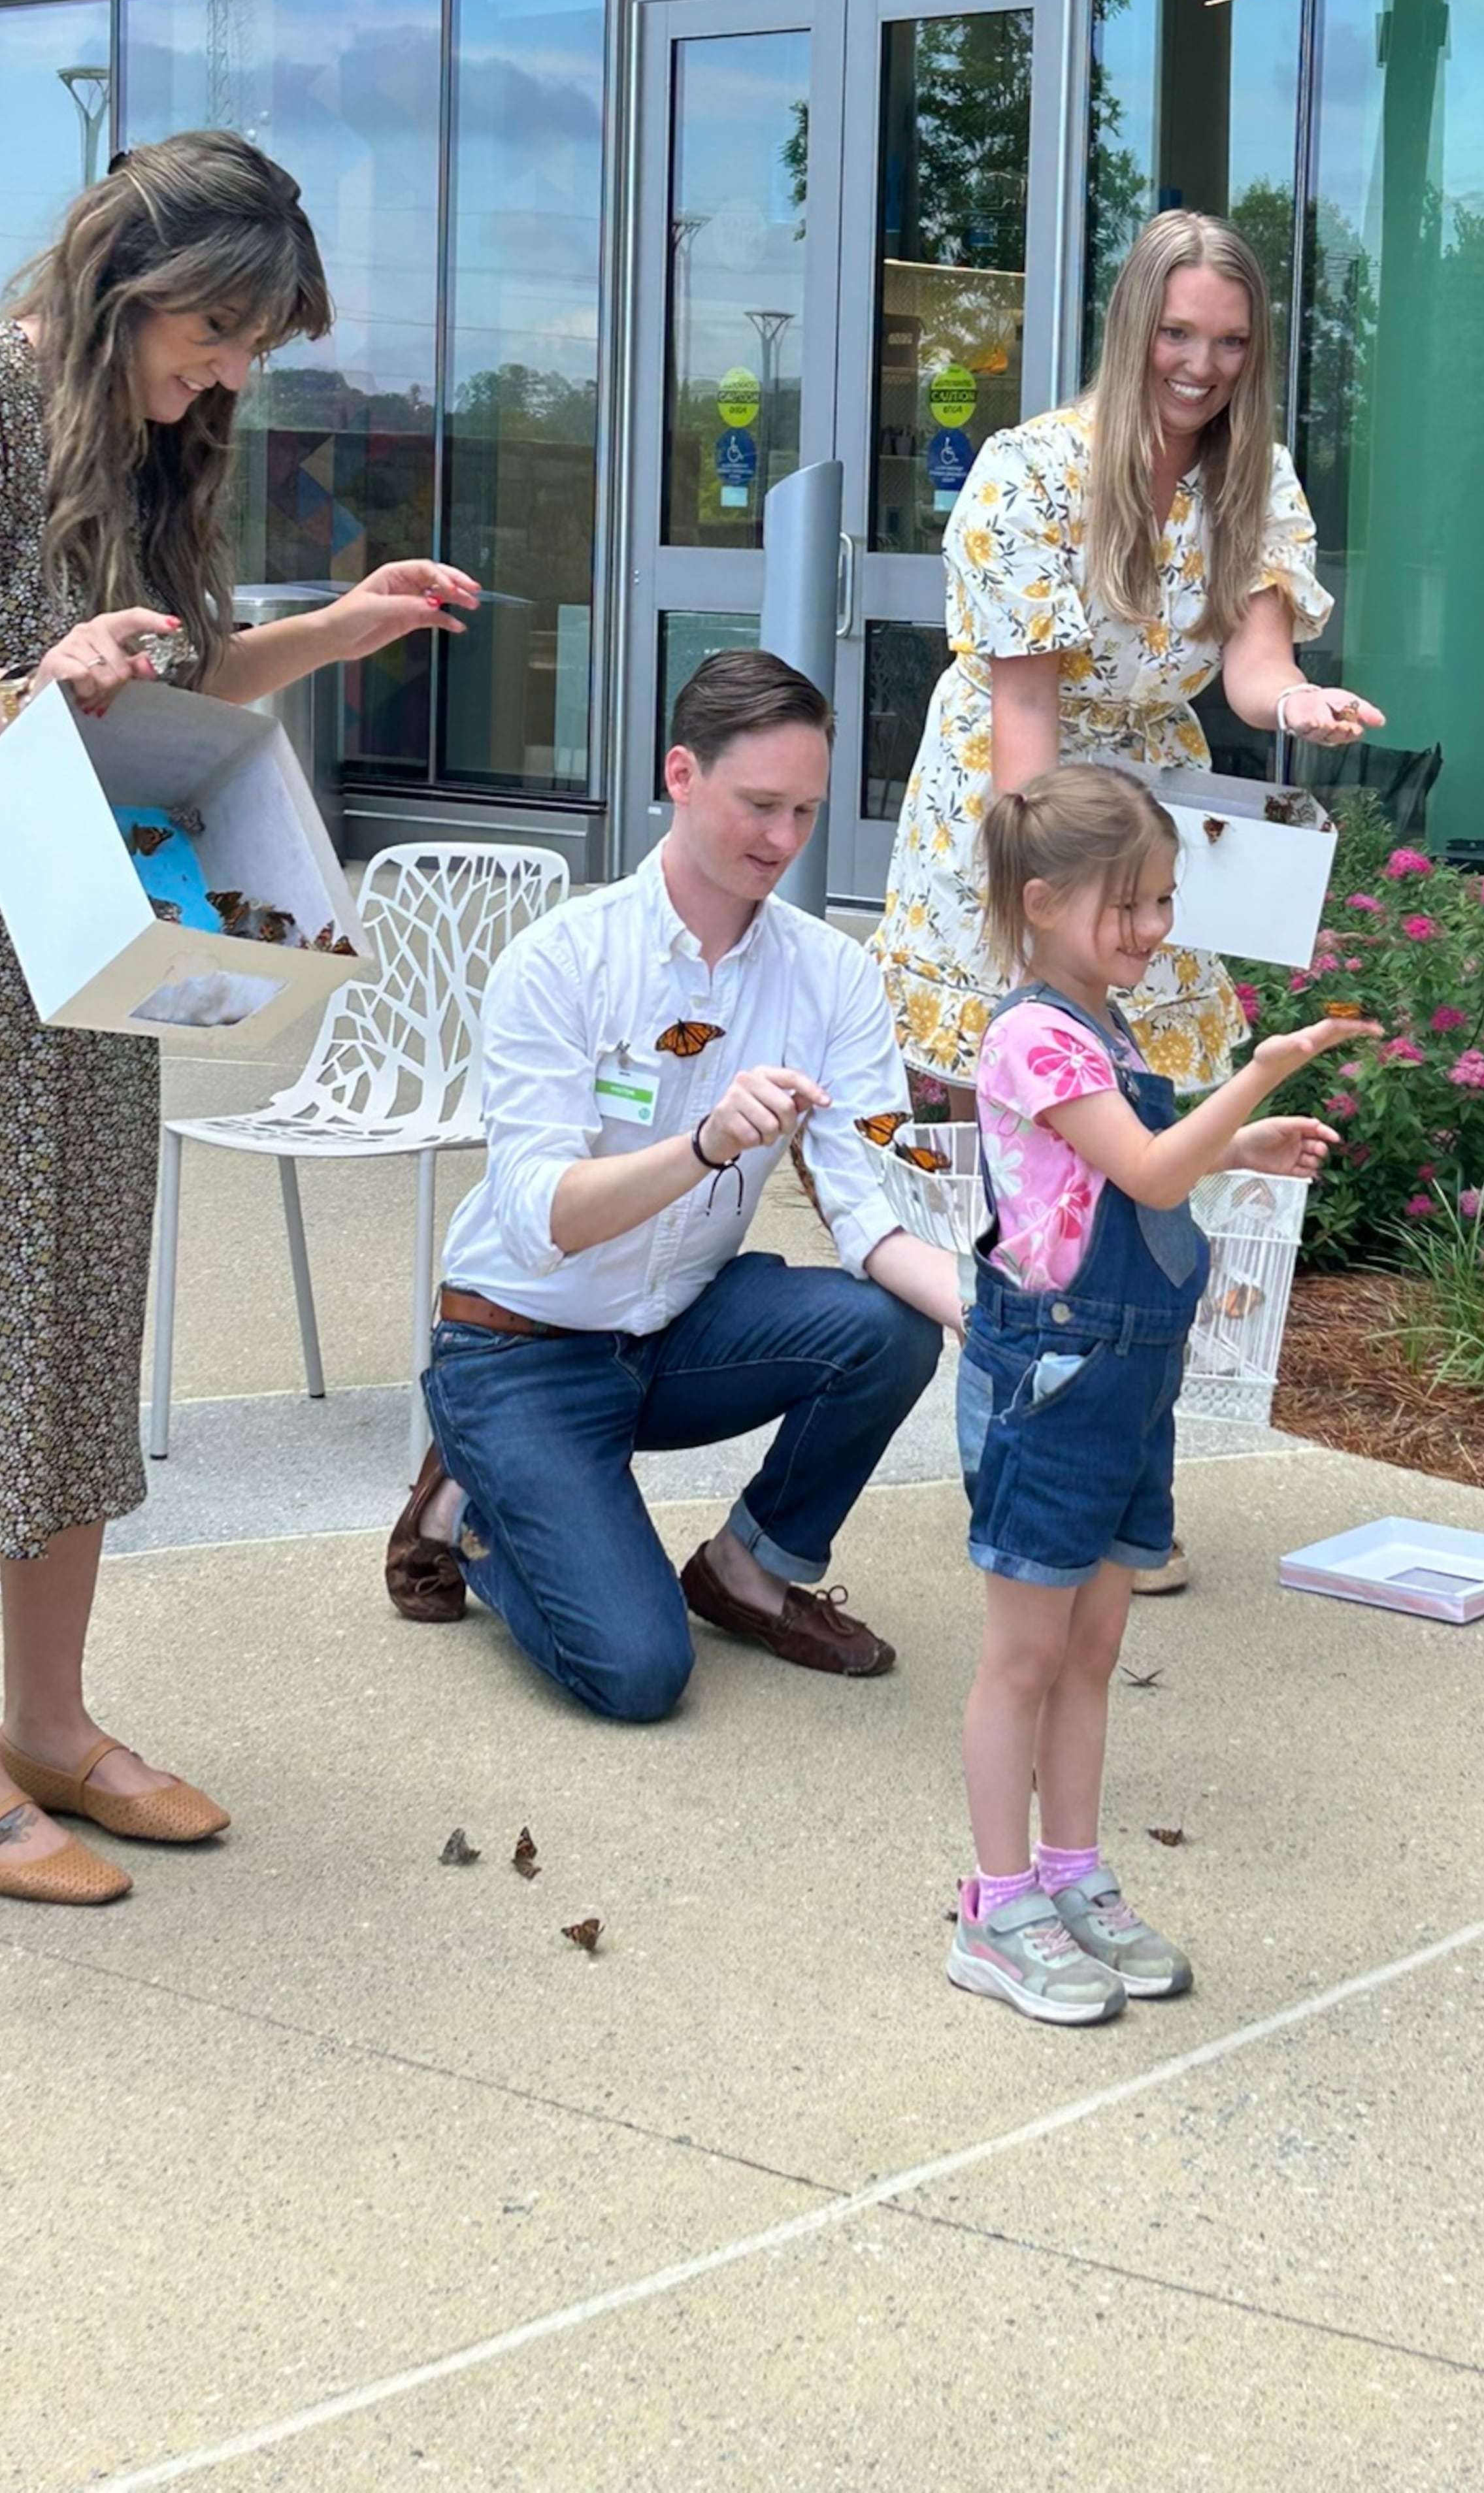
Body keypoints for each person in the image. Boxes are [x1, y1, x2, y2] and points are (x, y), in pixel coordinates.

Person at [0, 131, 480, 1906]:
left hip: (73, 929)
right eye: (217, 327)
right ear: (130, 271)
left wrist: (330, 632)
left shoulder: (150, 433)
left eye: (250, 344)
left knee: (62, 1311)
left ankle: (51, 1727)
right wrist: (18, 682)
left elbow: (168, 673)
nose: (227, 370)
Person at [872, 207, 1384, 1594]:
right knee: (1019, 1146)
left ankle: (1135, 1500)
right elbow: (1026, 712)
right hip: (1026, 807)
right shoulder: (1031, 472)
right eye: (1179, 334)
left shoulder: (1251, 475)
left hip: (1156, 814)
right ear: (1132, 325)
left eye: (1228, 341)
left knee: (1156, 1124)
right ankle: (1021, 1460)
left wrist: (1307, 705)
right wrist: (1045, 920)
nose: (1202, 365)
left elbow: (1253, 667)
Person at [386, 648, 956, 1720]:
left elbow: (870, 1203)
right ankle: (467, 1505)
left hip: (679, 1330)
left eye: (806, 809)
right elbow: (540, 1217)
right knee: (639, 1676)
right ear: (682, 775)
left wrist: (989, 1308)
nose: (785, 841)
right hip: (521, 1349)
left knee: (891, 1326)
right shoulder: (561, 961)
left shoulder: (833, 975)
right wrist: (702, 1144)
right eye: (759, 805)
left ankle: (750, 1569)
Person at [946, 766, 1370, 2023]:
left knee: (1096, 1646)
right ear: (1043, 902)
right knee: (1023, 1658)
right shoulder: (1032, 1033)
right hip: (1056, 1371)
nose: (1150, 929)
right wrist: (1262, 1078)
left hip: (1131, 1379)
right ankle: (996, 1902)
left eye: (1164, 902)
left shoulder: (1103, 1028)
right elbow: (1140, 1170)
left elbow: (1154, 1164)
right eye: (1127, 906)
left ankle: (1072, 1875)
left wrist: (1234, 1147)